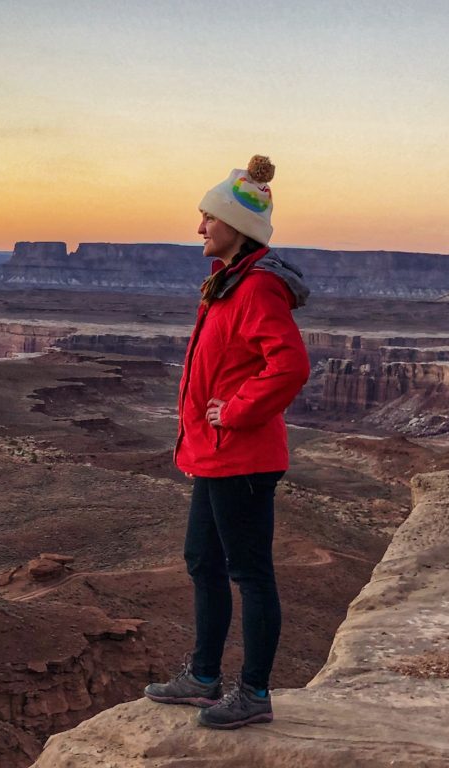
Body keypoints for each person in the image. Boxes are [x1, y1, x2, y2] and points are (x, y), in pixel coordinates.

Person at [143, 155, 310, 729]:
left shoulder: (258, 287)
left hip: (242, 457)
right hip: (215, 456)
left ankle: (255, 694)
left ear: (237, 227)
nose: (199, 228)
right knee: (202, 561)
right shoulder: (228, 283)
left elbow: (288, 366)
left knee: (250, 574)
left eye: (209, 218)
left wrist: (236, 412)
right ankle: (203, 676)